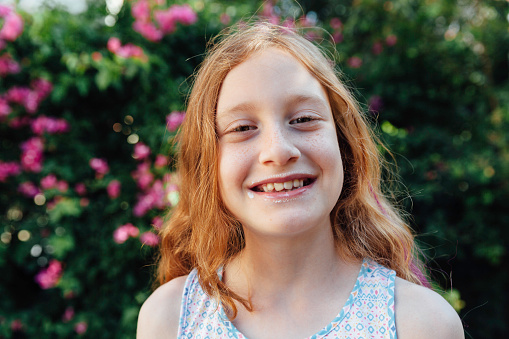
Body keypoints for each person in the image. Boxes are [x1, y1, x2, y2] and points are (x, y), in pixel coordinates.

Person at [137, 22, 464, 339]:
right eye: (242, 128)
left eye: (304, 119)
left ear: (344, 146)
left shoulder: (421, 324)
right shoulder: (169, 320)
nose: (278, 151)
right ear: (208, 162)